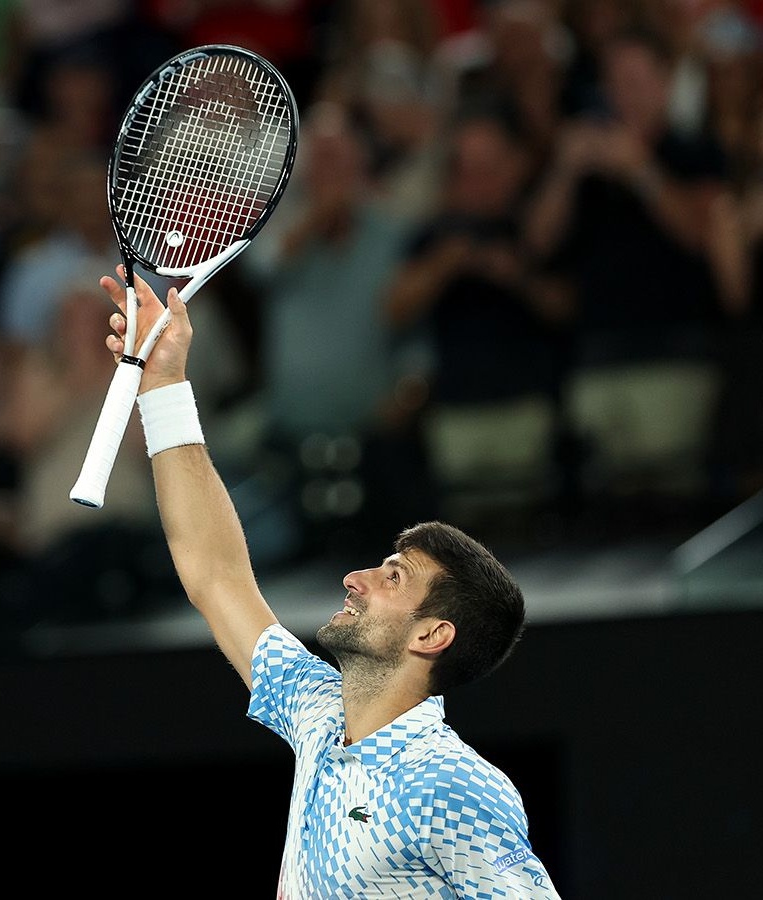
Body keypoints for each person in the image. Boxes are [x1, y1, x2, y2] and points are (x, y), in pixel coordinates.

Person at [98, 266, 561, 897]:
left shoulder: (453, 788)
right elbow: (216, 575)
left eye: (392, 577)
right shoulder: (318, 712)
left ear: (433, 634)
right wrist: (165, 383)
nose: (355, 578)